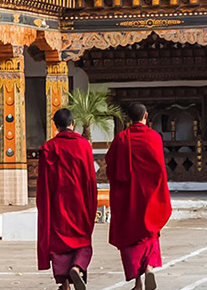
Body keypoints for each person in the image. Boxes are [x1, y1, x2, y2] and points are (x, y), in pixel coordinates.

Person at [105, 102, 171, 290]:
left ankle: (137, 282)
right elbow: (159, 169)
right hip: (149, 195)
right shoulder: (154, 137)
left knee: (130, 236)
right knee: (149, 232)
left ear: (128, 118)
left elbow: (110, 167)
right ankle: (149, 268)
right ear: (146, 116)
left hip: (127, 197)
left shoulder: (121, 138)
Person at [38, 108, 98, 290]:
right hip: (79, 202)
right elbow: (90, 178)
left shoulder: (48, 148)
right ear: (73, 124)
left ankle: (64, 283)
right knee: (82, 239)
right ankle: (77, 267)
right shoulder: (84, 145)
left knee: (59, 244)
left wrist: (44, 205)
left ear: (56, 126)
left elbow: (43, 183)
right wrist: (92, 204)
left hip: (57, 204)